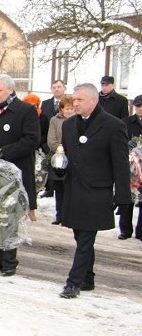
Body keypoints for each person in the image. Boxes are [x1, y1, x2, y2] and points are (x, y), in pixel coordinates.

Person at [58, 83, 131, 298]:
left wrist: (123, 196)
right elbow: (65, 154)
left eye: (80, 100)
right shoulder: (69, 125)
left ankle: (74, 282)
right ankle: (88, 278)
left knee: (87, 237)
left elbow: (120, 164)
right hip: (74, 189)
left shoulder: (113, 126)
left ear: (93, 101)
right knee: (79, 235)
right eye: (74, 99)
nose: (75, 103)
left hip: (97, 191)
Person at [0, 74, 40, 277]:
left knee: (10, 217)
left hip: (15, 174)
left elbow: (32, 139)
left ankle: (9, 260)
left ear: (10, 90)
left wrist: (3, 153)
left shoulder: (25, 111)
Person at [46, 96, 75, 225]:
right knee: (59, 188)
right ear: (61, 109)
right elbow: (51, 140)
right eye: (67, 108)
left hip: (74, 159)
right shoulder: (55, 120)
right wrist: (60, 149)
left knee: (71, 188)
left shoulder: (77, 121)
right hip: (59, 158)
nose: (70, 111)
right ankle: (60, 215)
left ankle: (70, 215)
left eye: (72, 108)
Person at [118, 94, 142, 240]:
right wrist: (128, 147)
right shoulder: (126, 123)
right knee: (129, 196)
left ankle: (140, 232)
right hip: (129, 165)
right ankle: (125, 230)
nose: (140, 109)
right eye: (138, 106)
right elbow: (119, 141)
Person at [39, 80, 66, 198]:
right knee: (49, 165)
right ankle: (49, 189)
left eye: (59, 86)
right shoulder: (45, 103)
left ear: (64, 88)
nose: (56, 89)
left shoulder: (69, 102)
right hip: (49, 139)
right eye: (54, 87)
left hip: (62, 138)